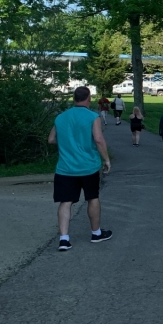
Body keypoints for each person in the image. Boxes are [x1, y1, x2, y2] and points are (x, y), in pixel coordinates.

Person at [47, 86, 112, 251]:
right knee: (92, 197)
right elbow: (98, 139)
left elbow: (51, 139)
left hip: (65, 168)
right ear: (88, 98)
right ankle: (96, 233)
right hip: (88, 166)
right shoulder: (92, 116)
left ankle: (64, 239)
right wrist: (106, 160)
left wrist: (68, 142)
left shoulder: (61, 117)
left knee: (66, 202)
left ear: (74, 98)